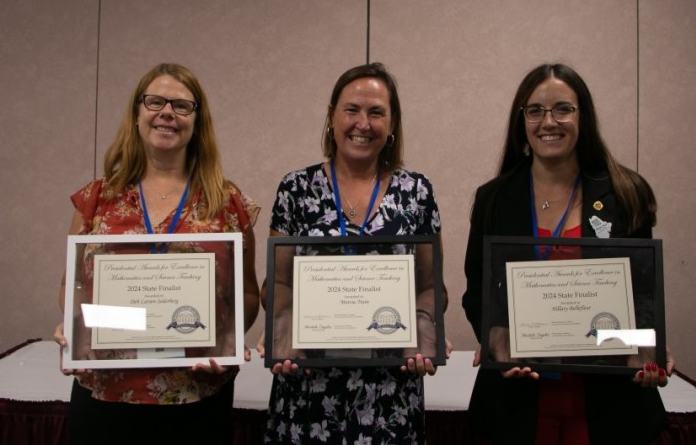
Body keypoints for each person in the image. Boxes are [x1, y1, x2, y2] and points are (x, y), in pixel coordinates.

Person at [462, 63, 674, 445]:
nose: (549, 121)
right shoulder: (494, 198)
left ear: (583, 117)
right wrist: (496, 340)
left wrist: (647, 344)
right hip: (517, 403)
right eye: (535, 110)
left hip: (608, 404)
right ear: (522, 121)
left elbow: (642, 294)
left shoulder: (627, 193)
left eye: (563, 108)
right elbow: (477, 290)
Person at [54, 63, 260, 444]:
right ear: (137, 114)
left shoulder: (228, 203)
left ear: (197, 122)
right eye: (155, 102)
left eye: (182, 106)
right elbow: (72, 287)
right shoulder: (96, 199)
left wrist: (227, 340)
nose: (167, 112)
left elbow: (247, 294)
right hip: (105, 392)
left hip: (197, 394)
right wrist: (73, 326)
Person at [259, 63, 448, 445]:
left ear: (392, 123)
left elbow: (431, 288)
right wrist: (281, 331)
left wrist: (425, 332)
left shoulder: (418, 192)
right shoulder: (296, 189)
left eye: (376, 112)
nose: (363, 123)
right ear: (332, 116)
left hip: (390, 393)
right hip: (308, 389)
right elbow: (277, 284)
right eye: (352, 110)